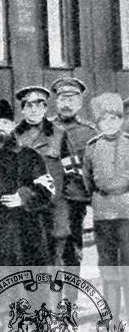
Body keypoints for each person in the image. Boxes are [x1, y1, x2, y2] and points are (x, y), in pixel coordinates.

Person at [0, 100, 54, 266]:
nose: (0, 127)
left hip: (27, 230)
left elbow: (47, 190)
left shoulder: (30, 156)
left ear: (13, 125)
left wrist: (23, 196)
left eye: (5, 122)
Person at [82, 92, 129, 321]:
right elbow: (87, 179)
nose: (108, 124)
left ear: (120, 120)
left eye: (114, 119)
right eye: (104, 120)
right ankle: (111, 315)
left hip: (127, 210)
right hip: (102, 212)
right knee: (107, 263)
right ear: (97, 123)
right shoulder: (92, 147)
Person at [14, 86, 66, 266]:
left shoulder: (59, 134)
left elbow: (71, 171)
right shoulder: (14, 136)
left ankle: (57, 295)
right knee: (31, 259)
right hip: (28, 207)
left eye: (39, 105)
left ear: (45, 108)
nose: (34, 109)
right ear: (22, 110)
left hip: (55, 206)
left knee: (56, 259)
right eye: (29, 105)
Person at [50, 77, 97, 267]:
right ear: (56, 102)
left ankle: (71, 297)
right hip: (51, 199)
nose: (66, 104)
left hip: (75, 200)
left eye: (71, 100)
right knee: (50, 251)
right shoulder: (46, 129)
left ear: (79, 103)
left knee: (72, 251)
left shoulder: (90, 133)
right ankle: (50, 296)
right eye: (62, 99)